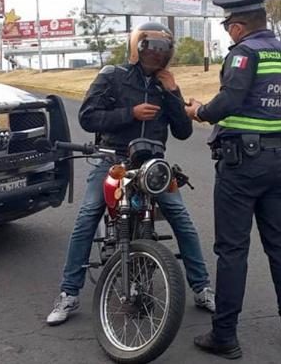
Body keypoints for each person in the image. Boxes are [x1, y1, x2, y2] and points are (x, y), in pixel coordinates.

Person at [46, 22, 215, 326]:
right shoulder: (113, 76)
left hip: (153, 165)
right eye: (151, 48)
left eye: (163, 50)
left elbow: (183, 131)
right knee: (87, 216)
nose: (156, 55)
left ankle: (201, 287)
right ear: (138, 48)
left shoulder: (167, 85)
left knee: (182, 219)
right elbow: (87, 117)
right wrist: (130, 114)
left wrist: (174, 92)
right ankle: (69, 293)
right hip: (113, 159)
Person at [185, 0, 281, 359]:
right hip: (280, 161)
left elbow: (231, 100)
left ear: (237, 26)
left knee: (233, 249)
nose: (228, 35)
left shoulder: (243, 54)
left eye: (228, 28)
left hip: (242, 166)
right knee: (279, 242)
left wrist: (200, 111)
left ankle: (225, 335)